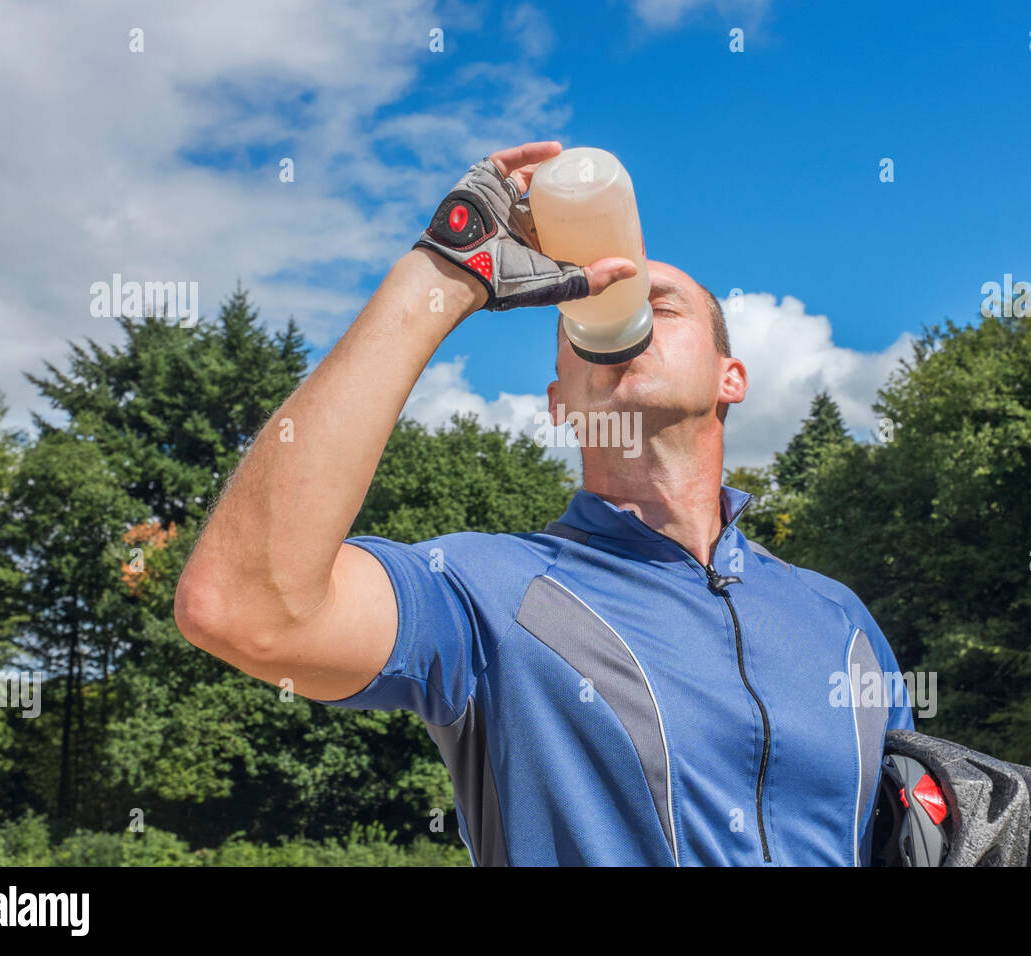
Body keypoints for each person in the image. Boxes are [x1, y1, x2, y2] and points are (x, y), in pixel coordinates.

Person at [174, 141, 915, 866]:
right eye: (586, 305)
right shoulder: (486, 590)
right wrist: (444, 271)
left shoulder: (839, 620)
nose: (628, 312)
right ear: (559, 403)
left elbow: (916, 824)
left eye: (664, 305)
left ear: (733, 378)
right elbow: (245, 607)